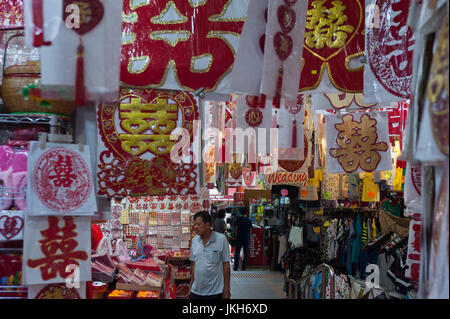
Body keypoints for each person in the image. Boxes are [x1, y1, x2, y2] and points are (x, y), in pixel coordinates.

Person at [189, 211, 231, 299]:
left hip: (215, 291)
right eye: (194, 225)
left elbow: (226, 265)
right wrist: (191, 285)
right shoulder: (195, 241)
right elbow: (194, 264)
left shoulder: (221, 239)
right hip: (196, 291)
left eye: (198, 224)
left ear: (208, 225)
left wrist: (227, 289)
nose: (195, 228)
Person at [233, 207, 253, 271]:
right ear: (246, 212)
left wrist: (236, 235)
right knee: (246, 252)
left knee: (237, 252)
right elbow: (250, 230)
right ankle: (244, 267)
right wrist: (248, 235)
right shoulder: (249, 220)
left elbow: (236, 228)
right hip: (246, 237)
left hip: (239, 237)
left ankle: (236, 267)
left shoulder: (238, 219)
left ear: (240, 212)